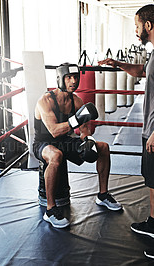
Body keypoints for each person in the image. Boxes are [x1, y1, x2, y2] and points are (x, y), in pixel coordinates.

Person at [98, 4, 154, 260]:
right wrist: (117, 63)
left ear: (149, 25)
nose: (136, 31)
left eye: (137, 26)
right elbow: (142, 72)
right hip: (152, 129)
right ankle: (153, 223)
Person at [33, 63, 122, 229]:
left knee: (103, 147)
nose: (73, 81)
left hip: (65, 141)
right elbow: (53, 130)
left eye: (76, 77)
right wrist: (76, 120)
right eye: (68, 77)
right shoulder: (45, 101)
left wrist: (88, 141)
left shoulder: (76, 101)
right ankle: (51, 210)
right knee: (56, 155)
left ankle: (103, 194)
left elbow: (84, 130)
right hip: (43, 143)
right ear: (60, 79)